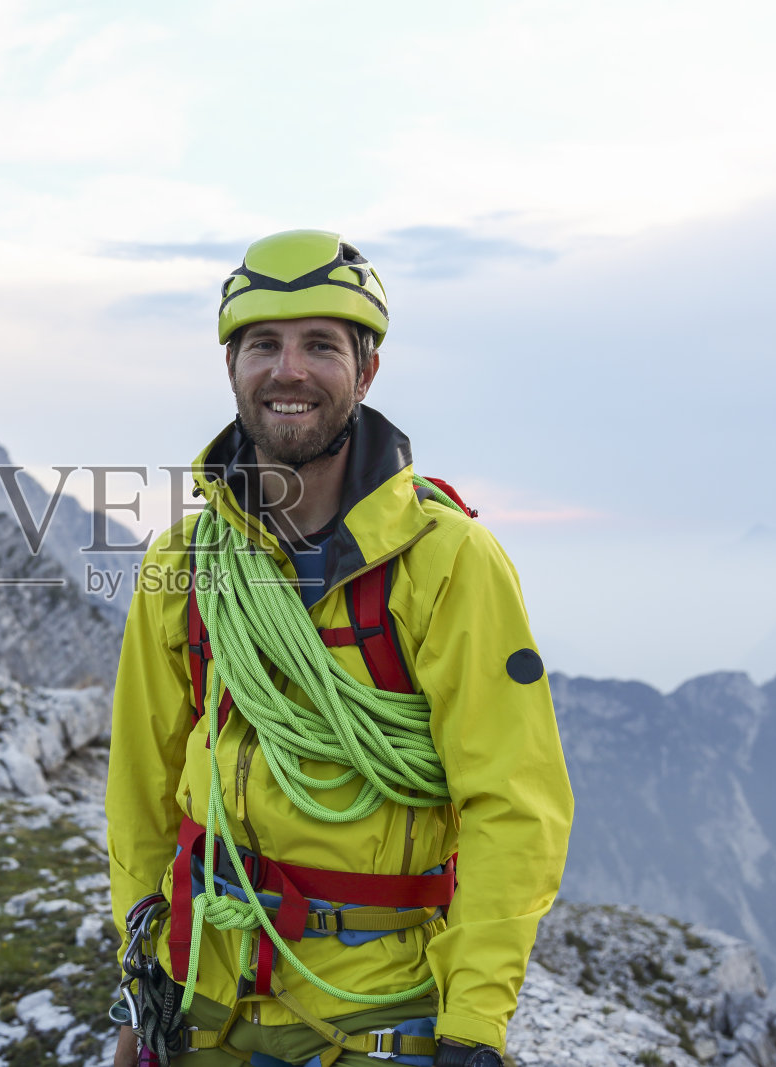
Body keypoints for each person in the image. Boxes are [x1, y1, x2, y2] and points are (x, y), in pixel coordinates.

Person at [106, 229, 574, 1067]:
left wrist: (473, 1025)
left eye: (320, 344)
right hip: (201, 999)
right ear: (231, 368)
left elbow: (512, 802)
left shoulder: (445, 561)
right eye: (263, 345)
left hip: (376, 1012)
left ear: (366, 371)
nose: (288, 370)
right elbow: (141, 789)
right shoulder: (180, 564)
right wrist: (144, 973)